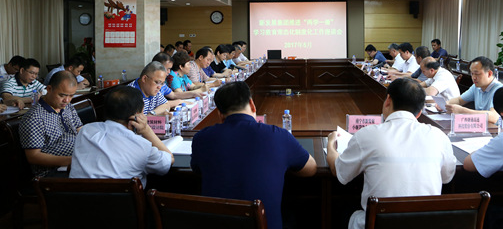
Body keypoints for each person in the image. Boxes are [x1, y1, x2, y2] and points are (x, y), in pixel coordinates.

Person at [326, 78, 456, 229]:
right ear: (420, 112)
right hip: (426, 223)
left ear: (388, 100)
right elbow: (447, 177)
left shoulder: (367, 134)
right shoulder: (439, 136)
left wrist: (331, 143)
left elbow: (339, 170)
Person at [191, 82, 317, 229]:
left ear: (220, 113)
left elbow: (197, 169)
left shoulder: (201, 138)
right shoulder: (278, 135)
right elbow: (311, 168)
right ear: (252, 104)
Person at [69, 86, 173, 188]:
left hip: (76, 197)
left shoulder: (85, 131)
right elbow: (168, 161)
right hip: (124, 199)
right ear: (137, 115)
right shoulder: (141, 145)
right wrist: (146, 130)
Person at [18, 71, 82, 177]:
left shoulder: (67, 106)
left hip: (75, 160)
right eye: (62, 95)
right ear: (49, 89)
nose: (66, 100)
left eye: (71, 96)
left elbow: (80, 130)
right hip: (52, 171)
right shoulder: (34, 117)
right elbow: (33, 156)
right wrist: (72, 160)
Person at [446, 56, 503, 123]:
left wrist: (462, 111)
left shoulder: (500, 90)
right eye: (472, 73)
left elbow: (493, 117)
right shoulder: (476, 87)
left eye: (477, 74)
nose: (473, 77)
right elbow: (459, 100)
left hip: (494, 128)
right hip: (480, 126)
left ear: (489, 74)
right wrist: (445, 104)